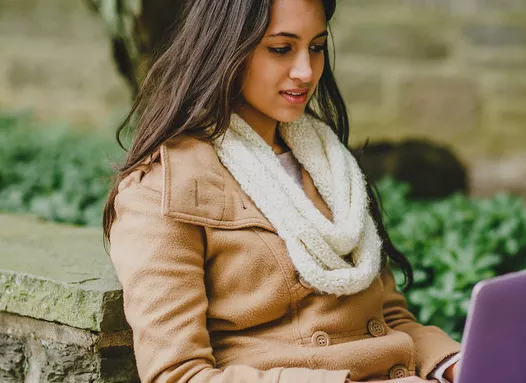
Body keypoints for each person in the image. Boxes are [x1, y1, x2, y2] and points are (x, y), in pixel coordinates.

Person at [102, 0, 463, 382]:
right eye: (280, 48)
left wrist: (457, 363)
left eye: (317, 47)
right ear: (227, 48)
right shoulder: (163, 189)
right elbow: (178, 375)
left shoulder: (330, 166)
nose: (306, 71)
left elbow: (387, 318)